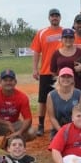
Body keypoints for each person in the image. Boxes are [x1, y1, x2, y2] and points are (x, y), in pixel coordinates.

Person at [0, 69, 36, 160]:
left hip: (14, 122)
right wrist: (6, 123)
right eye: (5, 80)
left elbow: (28, 119)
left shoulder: (22, 97)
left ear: (15, 82)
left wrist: (19, 132)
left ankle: (11, 146)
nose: (8, 82)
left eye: (11, 80)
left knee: (32, 132)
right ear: (0, 82)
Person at [31, 8, 63, 136]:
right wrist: (35, 68)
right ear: (49, 18)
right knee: (42, 100)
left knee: (60, 98)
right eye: (52, 16)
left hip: (60, 72)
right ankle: (40, 124)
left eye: (57, 16)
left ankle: (59, 124)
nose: (54, 18)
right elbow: (36, 52)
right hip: (45, 71)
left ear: (60, 18)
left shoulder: (65, 31)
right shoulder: (42, 33)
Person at [46, 67, 81, 139]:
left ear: (72, 79)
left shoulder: (79, 93)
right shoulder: (51, 95)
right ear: (59, 79)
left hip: (76, 129)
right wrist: (61, 131)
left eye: (69, 76)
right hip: (58, 130)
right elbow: (52, 117)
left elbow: (80, 115)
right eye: (63, 76)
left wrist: (74, 131)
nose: (66, 79)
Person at [50, 28, 81, 94]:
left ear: (74, 39)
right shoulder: (56, 53)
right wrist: (60, 81)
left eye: (70, 37)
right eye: (65, 37)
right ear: (62, 39)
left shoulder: (80, 52)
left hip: (78, 86)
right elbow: (53, 72)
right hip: (63, 87)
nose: (68, 39)